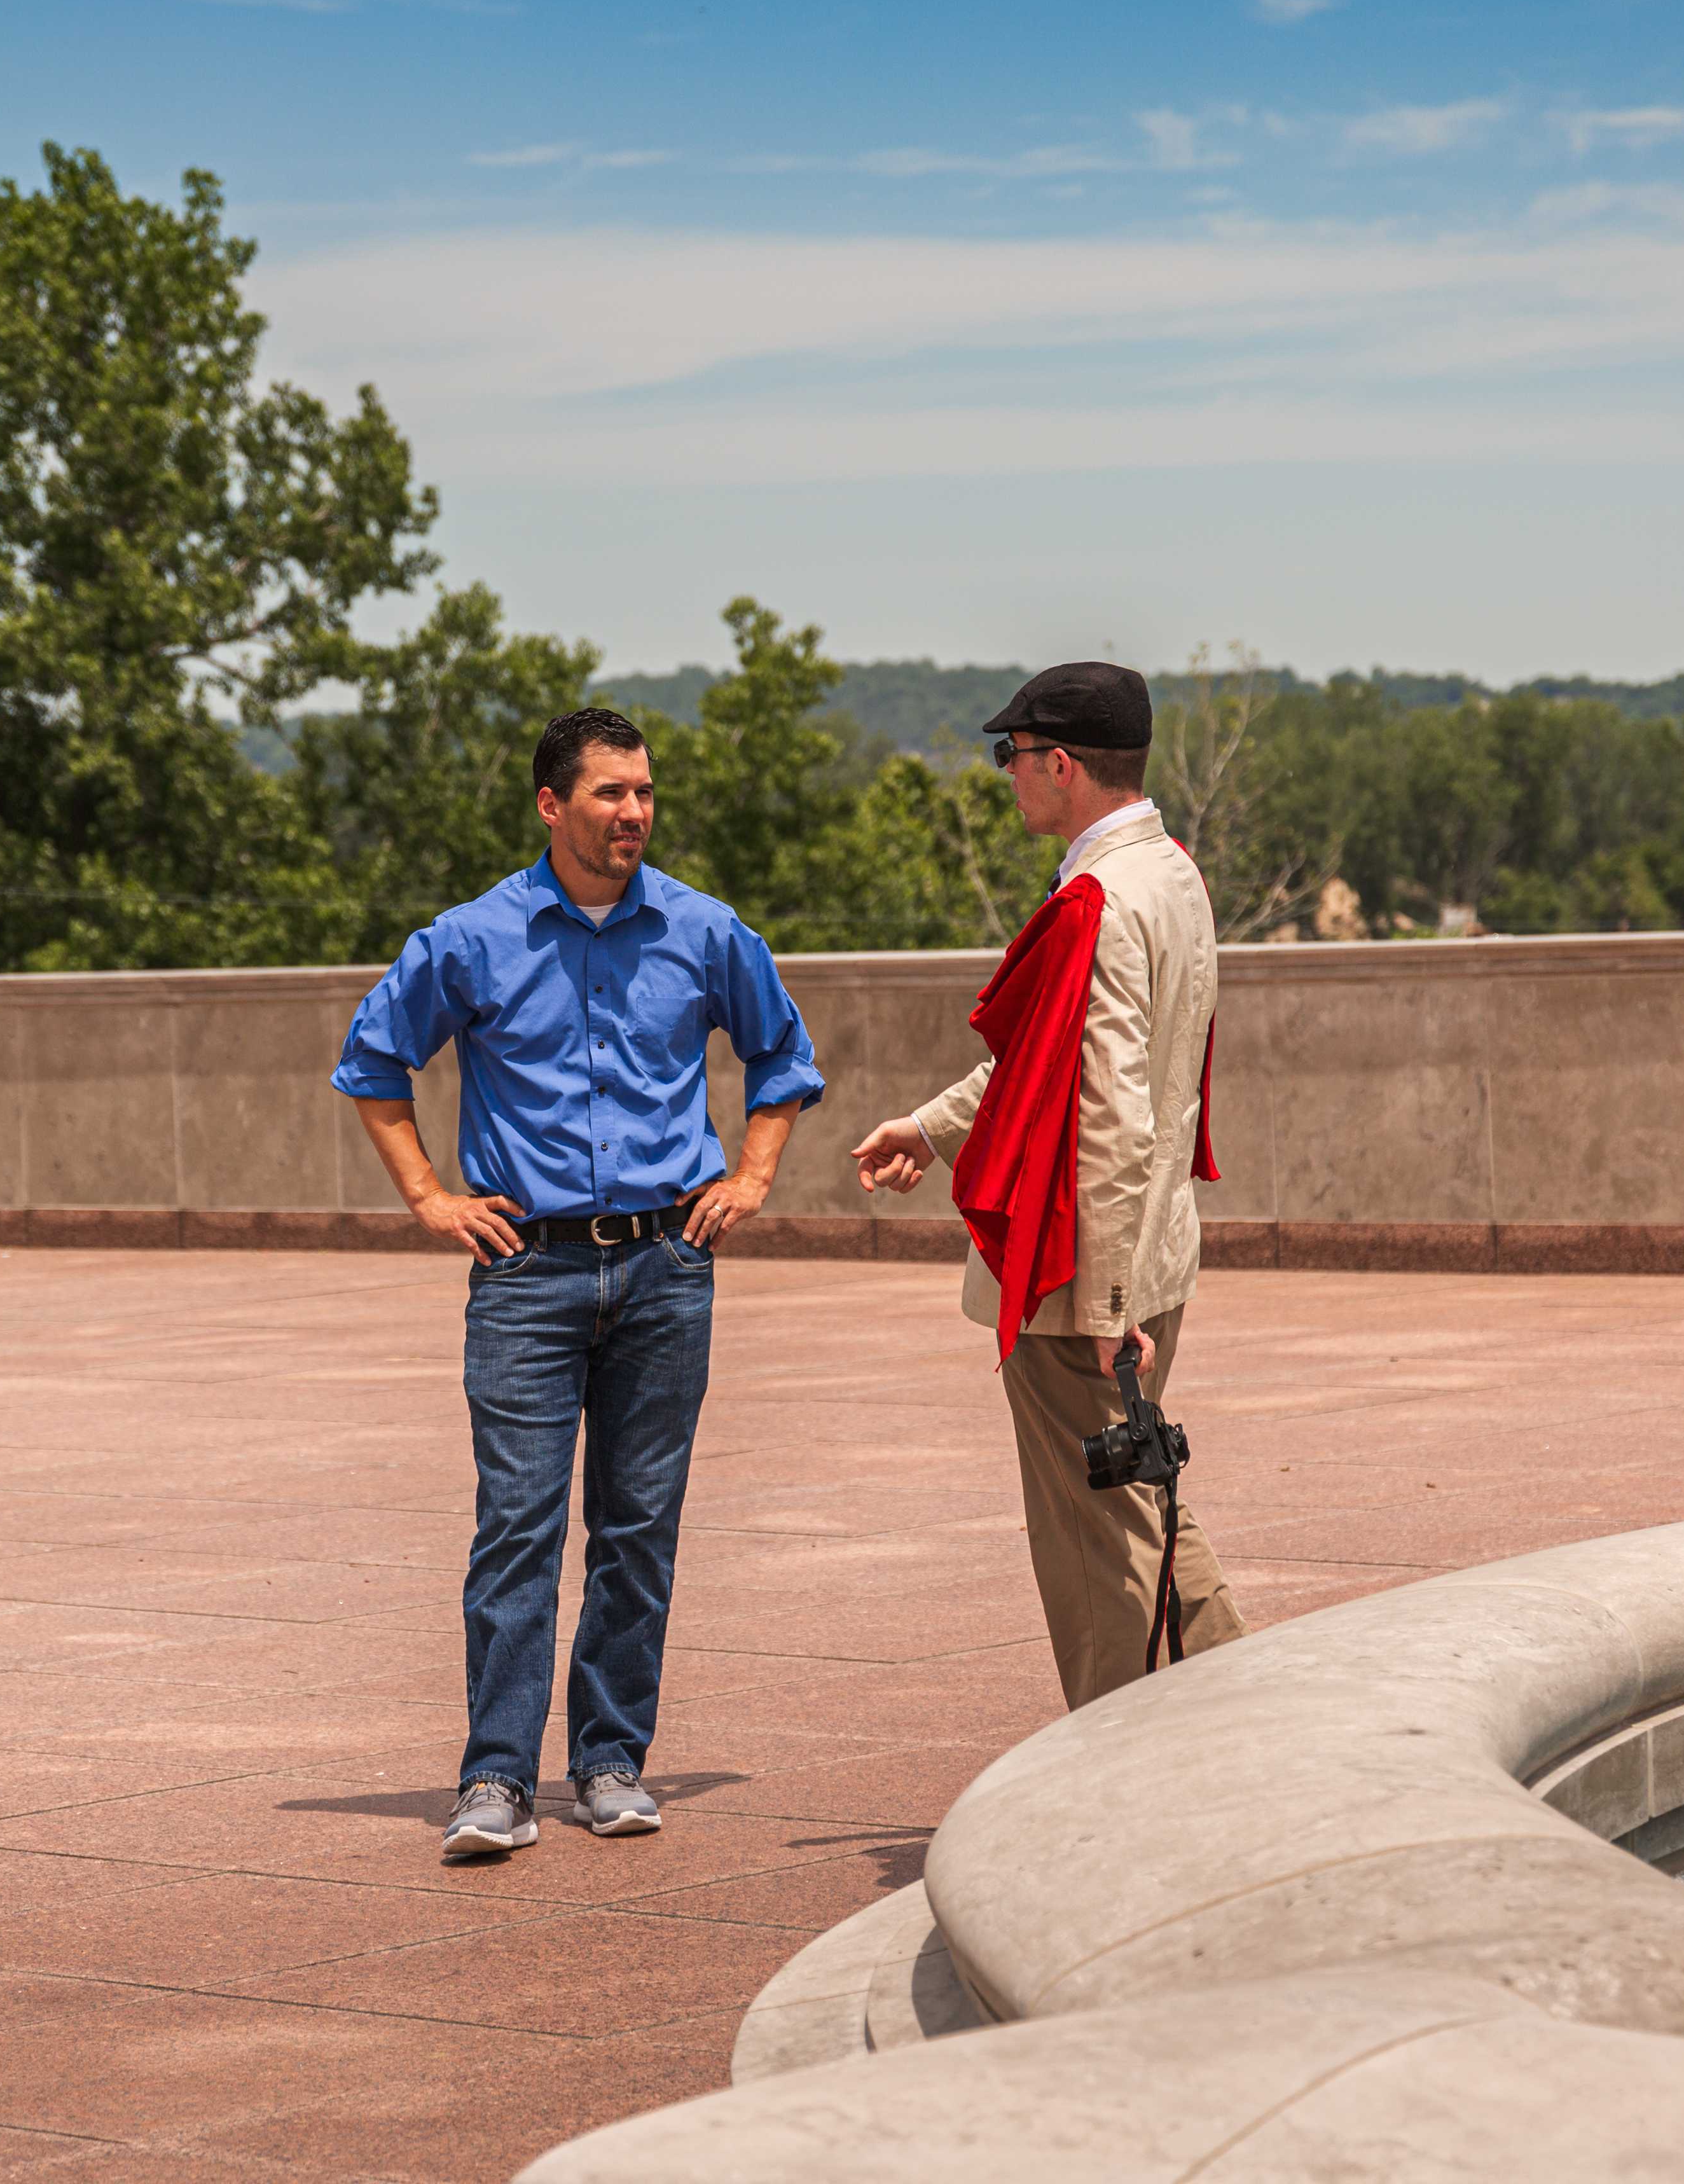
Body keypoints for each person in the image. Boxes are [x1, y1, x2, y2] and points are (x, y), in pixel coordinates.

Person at [334, 707, 824, 1860]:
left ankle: (611, 1762)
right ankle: (497, 1782)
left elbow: (783, 1060)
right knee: (517, 1527)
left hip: (666, 1266)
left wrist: (752, 1175)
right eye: (609, 794)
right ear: (553, 806)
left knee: (637, 1527)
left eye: (644, 792)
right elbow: (373, 1062)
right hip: (526, 1275)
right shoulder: (470, 938)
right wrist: (429, 1197)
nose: (634, 814)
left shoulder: (704, 933)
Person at [848, 661, 1246, 1711]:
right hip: (1153, 1255)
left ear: (1061, 763)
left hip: (1086, 1282)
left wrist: (1108, 1309)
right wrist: (934, 1130)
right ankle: (1255, 1711)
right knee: (1139, 1495)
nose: (1008, 776)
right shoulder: (1173, 875)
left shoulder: (1096, 901)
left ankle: (1131, 1778)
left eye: (1012, 756)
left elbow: (1113, 1115)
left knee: (1097, 1553)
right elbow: (1052, 1060)